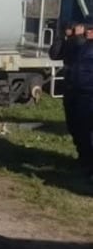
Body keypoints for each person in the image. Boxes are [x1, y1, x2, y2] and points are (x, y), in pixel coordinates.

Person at [52, 20, 89, 174]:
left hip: (86, 92)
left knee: (85, 128)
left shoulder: (85, 44)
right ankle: (82, 158)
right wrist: (61, 37)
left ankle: (88, 163)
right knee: (73, 126)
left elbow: (82, 55)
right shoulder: (72, 42)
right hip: (71, 89)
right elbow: (54, 54)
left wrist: (79, 37)